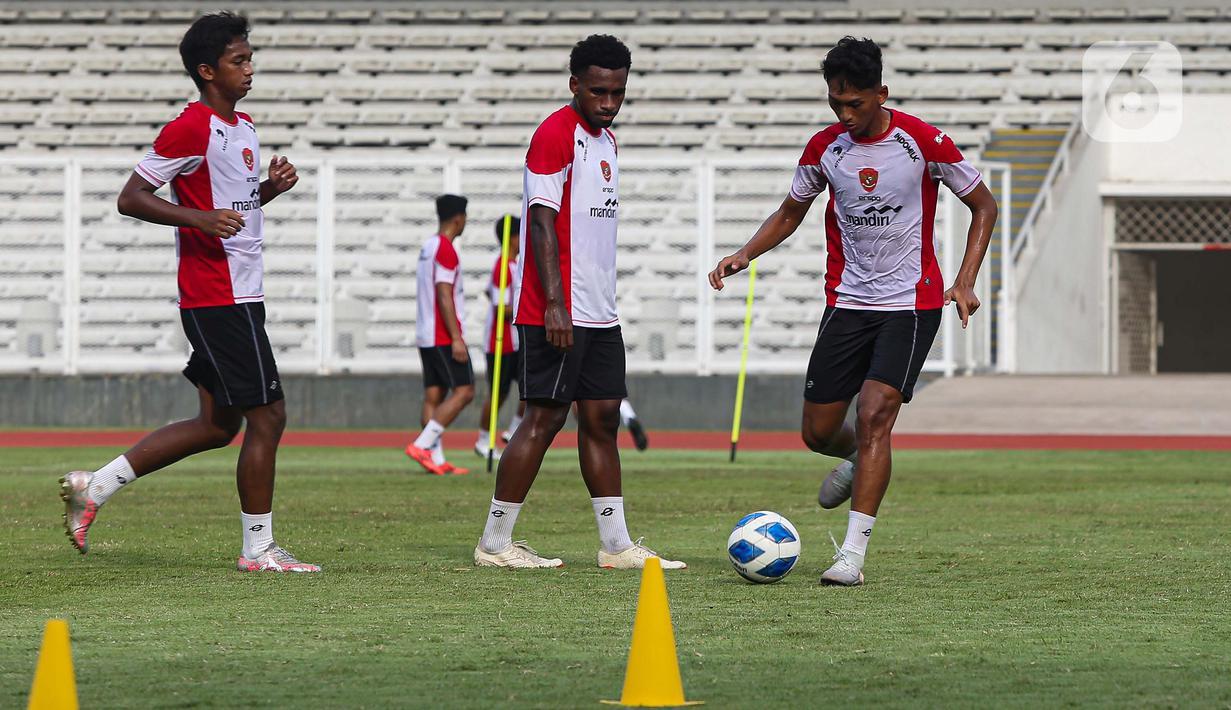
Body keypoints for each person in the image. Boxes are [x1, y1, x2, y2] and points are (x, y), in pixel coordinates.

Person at [709, 36, 997, 586]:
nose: (845, 114)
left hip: (910, 304)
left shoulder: (924, 141)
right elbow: (792, 210)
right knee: (818, 431)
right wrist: (744, 254)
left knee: (874, 415)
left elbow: (983, 204)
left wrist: (964, 281)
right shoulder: (825, 147)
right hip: (846, 303)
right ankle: (857, 459)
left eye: (856, 104)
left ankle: (852, 555)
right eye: (836, 103)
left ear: (881, 94)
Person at [60, 12, 319, 572]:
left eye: (250, 58)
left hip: (242, 292)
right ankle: (259, 550)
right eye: (238, 60)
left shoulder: (242, 125)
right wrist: (198, 220)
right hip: (216, 295)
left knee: (217, 425)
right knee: (269, 416)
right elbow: (131, 197)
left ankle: (94, 487)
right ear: (206, 70)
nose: (249, 69)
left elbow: (235, 209)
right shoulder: (190, 126)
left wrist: (268, 190)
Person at [473, 34, 684, 570]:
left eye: (617, 92)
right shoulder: (554, 134)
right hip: (557, 309)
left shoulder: (607, 142)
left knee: (603, 418)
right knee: (543, 419)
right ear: (574, 86)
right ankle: (494, 544)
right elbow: (540, 222)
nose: (608, 103)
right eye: (597, 92)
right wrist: (555, 303)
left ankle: (615, 547)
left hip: (600, 310)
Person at [406, 194, 474, 475]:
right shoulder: (446, 249)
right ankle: (423, 445)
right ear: (458, 218)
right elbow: (444, 294)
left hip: (426, 332)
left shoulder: (428, 246)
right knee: (465, 390)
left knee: (434, 395)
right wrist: (457, 337)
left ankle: (435, 459)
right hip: (443, 335)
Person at [475, 214, 526, 461]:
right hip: (500, 342)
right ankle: (483, 439)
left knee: (530, 388)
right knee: (499, 393)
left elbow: (490, 291)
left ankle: (515, 429)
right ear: (514, 238)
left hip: (516, 341)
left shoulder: (515, 265)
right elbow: (501, 307)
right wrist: (526, 308)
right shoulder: (502, 265)